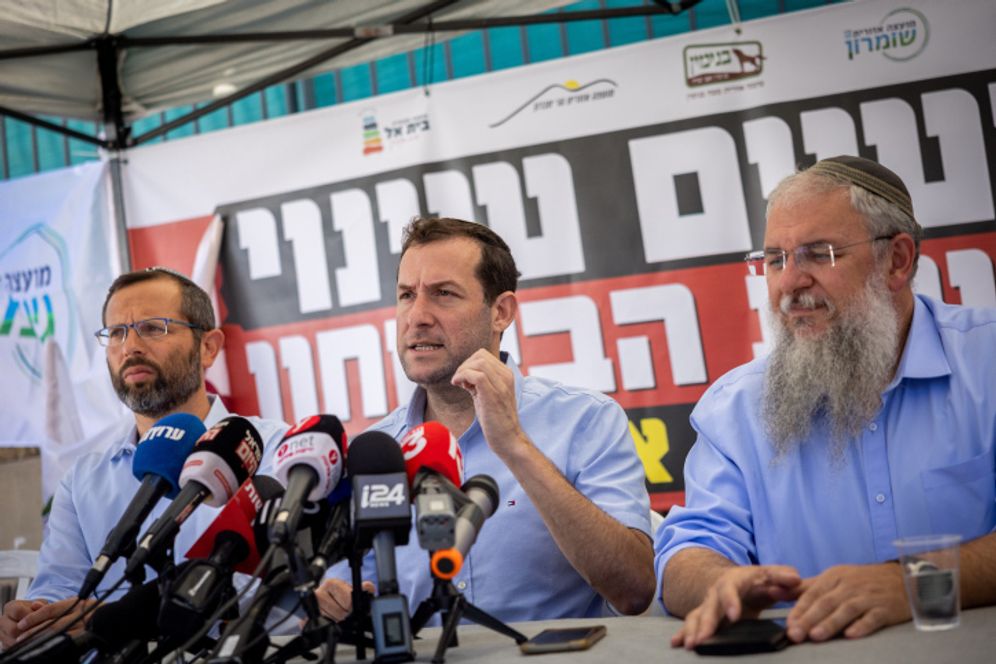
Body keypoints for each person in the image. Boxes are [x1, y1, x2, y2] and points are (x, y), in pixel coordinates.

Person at [655, 155, 996, 648]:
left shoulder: (986, 360)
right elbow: (687, 553)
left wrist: (914, 581)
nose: (790, 283)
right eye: (775, 259)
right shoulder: (734, 409)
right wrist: (720, 584)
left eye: (818, 254)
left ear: (897, 261)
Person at [317, 217, 655, 623]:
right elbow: (351, 582)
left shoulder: (585, 420)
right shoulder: (374, 452)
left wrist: (514, 445)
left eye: (443, 294)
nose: (417, 316)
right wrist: (339, 599)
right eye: (407, 295)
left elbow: (634, 588)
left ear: (501, 312)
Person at [0, 267, 288, 649]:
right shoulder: (83, 480)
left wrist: (113, 617)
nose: (130, 347)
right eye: (117, 333)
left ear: (208, 347)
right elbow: (58, 591)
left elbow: (292, 591)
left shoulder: (274, 450)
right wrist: (31, 617)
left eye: (153, 328)